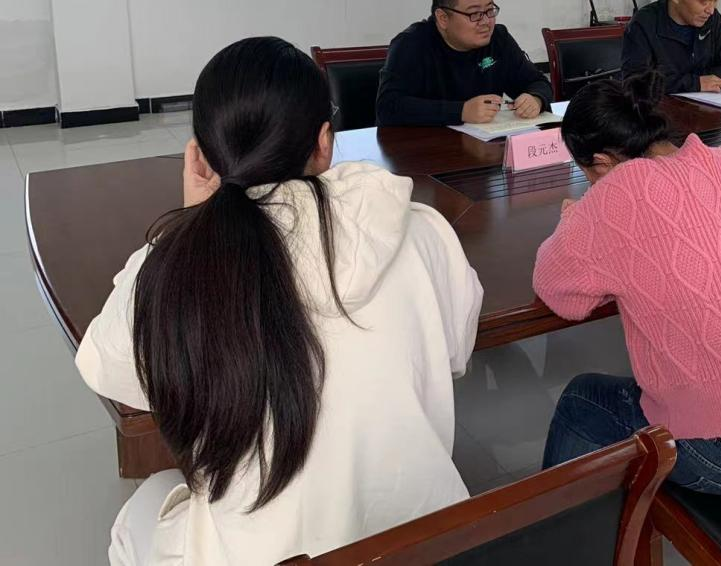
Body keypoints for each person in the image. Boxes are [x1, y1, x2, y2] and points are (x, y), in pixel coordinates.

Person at [77, 37, 484, 566]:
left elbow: (106, 369)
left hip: (260, 553)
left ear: (200, 155)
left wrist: (191, 224)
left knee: (139, 512)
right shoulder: (422, 231)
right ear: (324, 143)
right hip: (425, 542)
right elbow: (456, 352)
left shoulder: (173, 266)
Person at [533, 72, 721, 494]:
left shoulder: (613, 194)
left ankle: (563, 524)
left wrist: (575, 215)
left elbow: (559, 292)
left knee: (582, 399)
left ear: (601, 162)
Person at [377, 0, 552, 126]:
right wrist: (461, 111)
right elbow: (388, 107)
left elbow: (537, 82)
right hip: (423, 146)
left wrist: (535, 99)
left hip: (483, 144)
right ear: (443, 18)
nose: (486, 22)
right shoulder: (411, 44)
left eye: (490, 10)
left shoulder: (498, 39)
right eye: (475, 14)